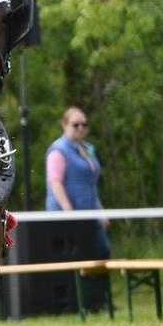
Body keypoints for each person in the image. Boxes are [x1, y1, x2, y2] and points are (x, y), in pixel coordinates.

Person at [46, 106, 110, 256]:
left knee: (102, 252)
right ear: (65, 125)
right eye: (76, 124)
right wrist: (68, 211)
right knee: (74, 259)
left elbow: (90, 185)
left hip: (90, 213)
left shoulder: (88, 149)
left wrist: (101, 212)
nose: (80, 128)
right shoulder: (58, 150)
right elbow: (55, 182)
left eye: (84, 124)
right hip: (67, 216)